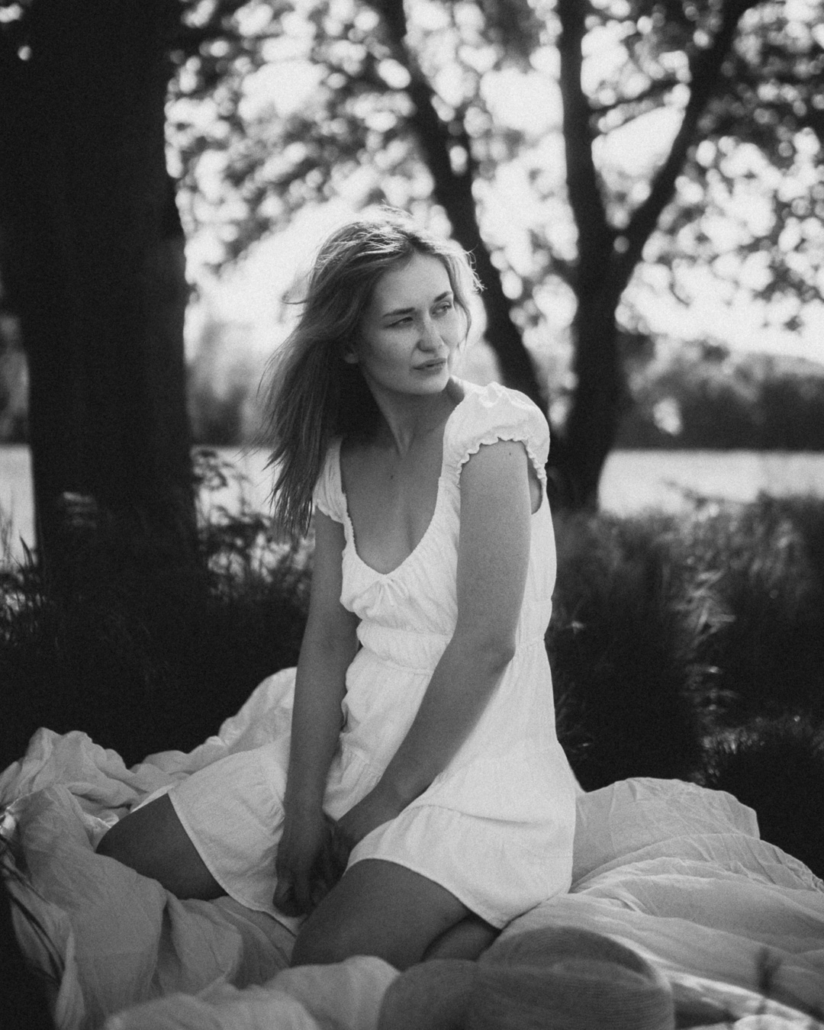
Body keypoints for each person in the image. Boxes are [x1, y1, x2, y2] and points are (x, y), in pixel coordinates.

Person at [97, 213, 577, 971]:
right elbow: (326, 640)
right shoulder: (339, 460)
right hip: (360, 741)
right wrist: (301, 814)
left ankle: (479, 923)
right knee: (121, 858)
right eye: (402, 320)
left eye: (443, 307)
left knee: (328, 956)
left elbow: (487, 645)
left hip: (478, 764)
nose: (435, 338)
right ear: (350, 343)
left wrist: (370, 816)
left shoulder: (493, 432)